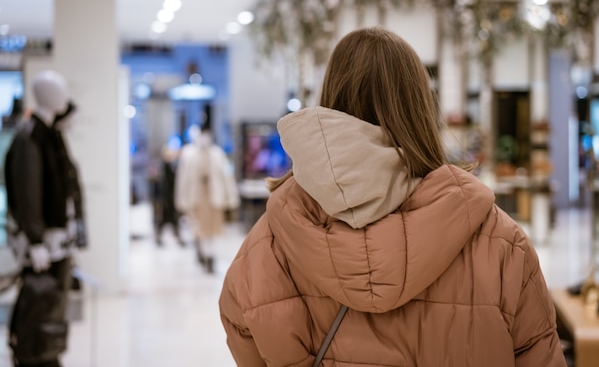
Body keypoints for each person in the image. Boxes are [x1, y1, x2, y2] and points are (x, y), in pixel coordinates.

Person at [219, 28, 566, 366]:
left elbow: (242, 329)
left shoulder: (267, 245)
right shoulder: (502, 243)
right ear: (419, 109)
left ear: (329, 102)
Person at [5, 70, 87, 367]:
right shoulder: (30, 138)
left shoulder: (51, 135)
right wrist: (35, 238)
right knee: (41, 304)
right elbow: (28, 194)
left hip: (58, 243)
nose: (65, 96)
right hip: (44, 246)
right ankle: (35, 355)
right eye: (60, 90)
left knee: (55, 305)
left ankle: (49, 354)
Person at [174, 109, 240, 274]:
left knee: (213, 229)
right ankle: (203, 253)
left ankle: (210, 256)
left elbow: (226, 177)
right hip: (197, 198)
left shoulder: (217, 154)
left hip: (214, 198)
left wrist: (231, 198)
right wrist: (182, 200)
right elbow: (183, 180)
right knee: (199, 228)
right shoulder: (189, 154)